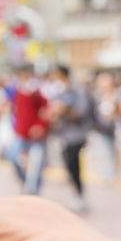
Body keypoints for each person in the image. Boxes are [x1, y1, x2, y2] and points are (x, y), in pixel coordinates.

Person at [47, 66, 94, 213]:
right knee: (69, 166)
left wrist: (64, 110)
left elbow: (81, 111)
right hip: (64, 134)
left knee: (73, 165)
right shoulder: (59, 91)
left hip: (76, 134)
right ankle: (78, 196)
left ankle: (80, 197)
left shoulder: (77, 90)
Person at [7, 63, 48, 195]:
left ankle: (32, 192)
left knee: (36, 167)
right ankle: (26, 185)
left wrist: (40, 126)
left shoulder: (37, 90)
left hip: (35, 136)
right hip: (21, 133)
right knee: (12, 157)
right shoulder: (18, 89)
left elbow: (45, 111)